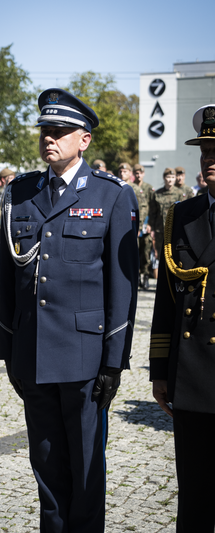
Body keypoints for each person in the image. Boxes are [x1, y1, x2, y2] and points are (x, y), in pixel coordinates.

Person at [0, 88, 139, 533]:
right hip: (34, 356)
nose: (49, 139)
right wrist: (9, 352)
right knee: (46, 470)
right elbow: (9, 281)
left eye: (60, 131)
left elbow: (122, 286)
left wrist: (113, 362)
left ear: (85, 140)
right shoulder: (21, 193)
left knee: (85, 473)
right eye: (45, 130)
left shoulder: (112, 195)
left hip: (83, 361)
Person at [149, 104, 215, 532]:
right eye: (206, 150)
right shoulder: (182, 216)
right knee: (193, 496)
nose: (210, 160)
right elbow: (166, 302)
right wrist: (159, 371)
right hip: (192, 378)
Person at [149, 168, 184, 270]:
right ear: (164, 178)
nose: (170, 180)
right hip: (160, 231)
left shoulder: (179, 193)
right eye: (168, 177)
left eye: (172, 177)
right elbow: (153, 213)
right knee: (161, 256)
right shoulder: (157, 194)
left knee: (175, 255)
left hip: (175, 230)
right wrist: (152, 228)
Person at [133, 163, 154, 289]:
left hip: (146, 225)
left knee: (146, 251)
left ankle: (145, 275)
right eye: (136, 173)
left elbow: (152, 208)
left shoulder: (148, 188)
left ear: (143, 174)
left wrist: (150, 223)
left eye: (140, 173)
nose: (138, 175)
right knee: (135, 250)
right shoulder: (131, 187)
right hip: (135, 224)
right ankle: (136, 276)